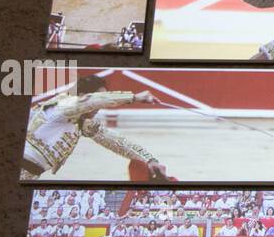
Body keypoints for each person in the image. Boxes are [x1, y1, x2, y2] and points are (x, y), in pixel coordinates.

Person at [22, 77, 171, 181]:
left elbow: (116, 142)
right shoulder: (62, 106)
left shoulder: (81, 122)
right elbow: (92, 101)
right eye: (100, 98)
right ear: (81, 96)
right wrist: (133, 97)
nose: (100, 107)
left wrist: (149, 160)